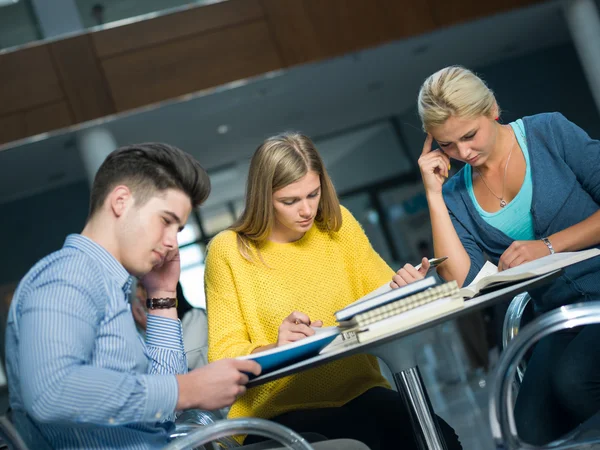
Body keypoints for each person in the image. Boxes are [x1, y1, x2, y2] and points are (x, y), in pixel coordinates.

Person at [205, 132, 462, 450]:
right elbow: (222, 357)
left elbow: (381, 296)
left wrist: (406, 290)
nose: (306, 210)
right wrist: (274, 347)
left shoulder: (338, 228)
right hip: (275, 413)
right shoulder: (229, 250)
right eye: (290, 201)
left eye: (313, 194)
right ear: (262, 197)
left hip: (360, 392)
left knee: (440, 438)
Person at [5, 143, 262, 449]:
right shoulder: (69, 275)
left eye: (177, 230)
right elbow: (51, 391)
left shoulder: (108, 287)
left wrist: (163, 294)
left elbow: (167, 410)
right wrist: (186, 389)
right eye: (166, 221)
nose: (171, 243)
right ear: (121, 201)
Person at [415, 66, 600, 444]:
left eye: (469, 136)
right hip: (557, 318)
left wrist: (549, 246)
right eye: (447, 145)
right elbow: (462, 281)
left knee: (575, 381)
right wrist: (434, 194)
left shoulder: (549, 132)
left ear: (493, 109)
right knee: (527, 430)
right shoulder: (455, 196)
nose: (462, 152)